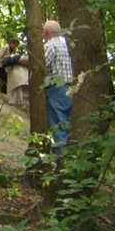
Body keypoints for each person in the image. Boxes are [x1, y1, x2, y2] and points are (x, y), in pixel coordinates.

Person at [43, 20, 74, 153]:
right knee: (66, 124)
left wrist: (19, 59)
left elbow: (41, 64)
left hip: (55, 88)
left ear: (46, 32)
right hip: (68, 88)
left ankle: (61, 160)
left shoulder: (50, 46)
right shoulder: (64, 46)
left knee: (57, 125)